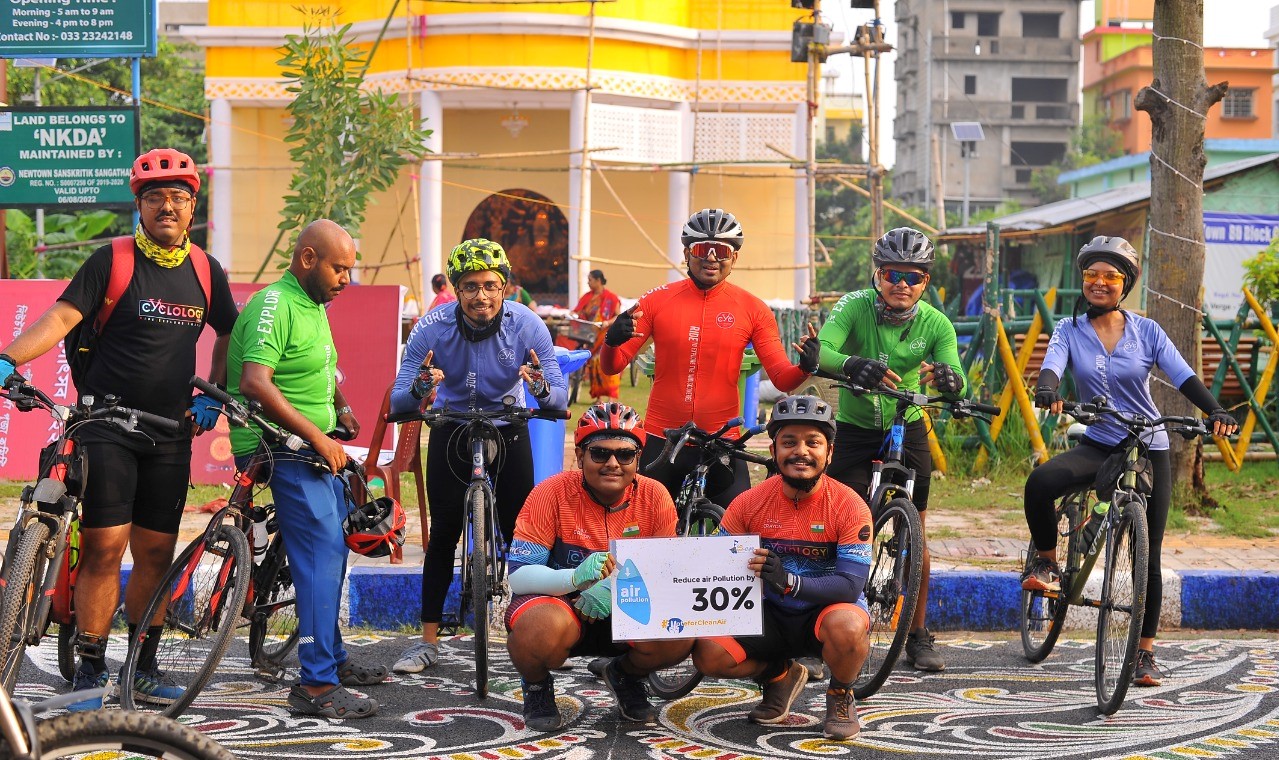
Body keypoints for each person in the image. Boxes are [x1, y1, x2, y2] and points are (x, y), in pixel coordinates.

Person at [0, 148, 237, 709]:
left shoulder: (206, 271)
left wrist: (210, 393)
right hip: (105, 422)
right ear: (140, 204)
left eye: (178, 197)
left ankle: (144, 664)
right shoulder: (113, 260)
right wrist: (11, 358)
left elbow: (228, 330)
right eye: (155, 197)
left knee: (155, 553)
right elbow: (62, 316)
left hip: (170, 432)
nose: (167, 206)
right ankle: (89, 664)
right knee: (105, 547)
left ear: (192, 206)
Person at [1023, 235, 1238, 687]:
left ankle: (1144, 654)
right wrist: (1048, 388)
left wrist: (1215, 410)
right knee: (1040, 484)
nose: (1099, 283)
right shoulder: (1068, 329)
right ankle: (1046, 563)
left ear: (1126, 284)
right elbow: (1052, 365)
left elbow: (1184, 376)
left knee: (1149, 554)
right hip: (1100, 440)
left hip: (1149, 445)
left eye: (1110, 276)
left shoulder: (1148, 332)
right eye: (1091, 275)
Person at [228, 218, 387, 719]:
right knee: (321, 556)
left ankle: (332, 659)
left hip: (311, 445)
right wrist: (317, 436)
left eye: (350, 269)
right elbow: (256, 382)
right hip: (278, 447)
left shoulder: (313, 305)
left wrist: (338, 406)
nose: (346, 278)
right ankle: (316, 686)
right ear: (308, 259)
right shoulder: (274, 305)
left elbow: (318, 365)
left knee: (337, 548)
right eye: (340, 268)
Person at [389, 238, 568, 673]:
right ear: (455, 289)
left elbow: (559, 391)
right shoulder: (431, 328)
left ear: (505, 287)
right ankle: (428, 641)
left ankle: (538, 630)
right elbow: (398, 398)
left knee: (523, 534)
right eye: (469, 286)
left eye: (490, 285)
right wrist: (420, 389)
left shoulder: (528, 325)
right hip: (450, 426)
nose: (481, 296)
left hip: (507, 427)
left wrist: (541, 388)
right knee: (444, 533)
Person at [816, 226, 966, 673]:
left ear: (926, 282)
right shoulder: (855, 305)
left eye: (913, 276)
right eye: (892, 274)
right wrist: (852, 364)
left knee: (916, 531)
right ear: (878, 275)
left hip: (910, 424)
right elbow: (823, 350)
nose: (902, 284)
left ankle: (918, 633)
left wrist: (951, 382)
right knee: (835, 521)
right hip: (857, 426)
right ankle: (819, 621)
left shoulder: (936, 322)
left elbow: (956, 373)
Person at [599, 208, 819, 508]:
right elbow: (613, 366)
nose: (711, 258)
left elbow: (782, 377)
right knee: (644, 530)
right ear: (687, 254)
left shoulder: (754, 309)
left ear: (735, 258)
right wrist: (612, 341)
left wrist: (806, 366)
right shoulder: (656, 300)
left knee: (739, 531)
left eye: (721, 251)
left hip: (723, 439)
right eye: (703, 249)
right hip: (663, 437)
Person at [691, 395, 871, 741]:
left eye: (813, 443)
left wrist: (787, 580)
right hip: (767, 614)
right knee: (707, 653)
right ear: (774, 451)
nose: (800, 451)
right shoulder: (748, 502)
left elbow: (850, 585)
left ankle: (840, 695)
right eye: (789, 442)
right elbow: (712, 564)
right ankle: (779, 676)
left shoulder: (850, 506)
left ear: (829, 453)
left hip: (824, 614)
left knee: (849, 625)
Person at [505, 403, 688, 730]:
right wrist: (574, 577)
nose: (613, 464)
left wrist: (614, 584)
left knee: (682, 633)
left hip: (630, 607)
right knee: (536, 632)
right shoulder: (551, 492)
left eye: (625, 454)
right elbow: (519, 577)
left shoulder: (656, 496)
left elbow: (667, 570)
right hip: (561, 605)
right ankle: (536, 686)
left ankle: (625, 674)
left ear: (638, 459)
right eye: (600, 453)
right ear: (580, 456)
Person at [571, 268, 623, 402]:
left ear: (598, 281)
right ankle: (599, 398)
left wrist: (607, 323)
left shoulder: (611, 298)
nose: (588, 282)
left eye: (590, 280)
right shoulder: (587, 297)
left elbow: (618, 316)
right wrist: (574, 315)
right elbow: (577, 311)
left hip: (607, 336)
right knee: (593, 364)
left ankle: (611, 397)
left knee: (605, 362)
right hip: (590, 336)